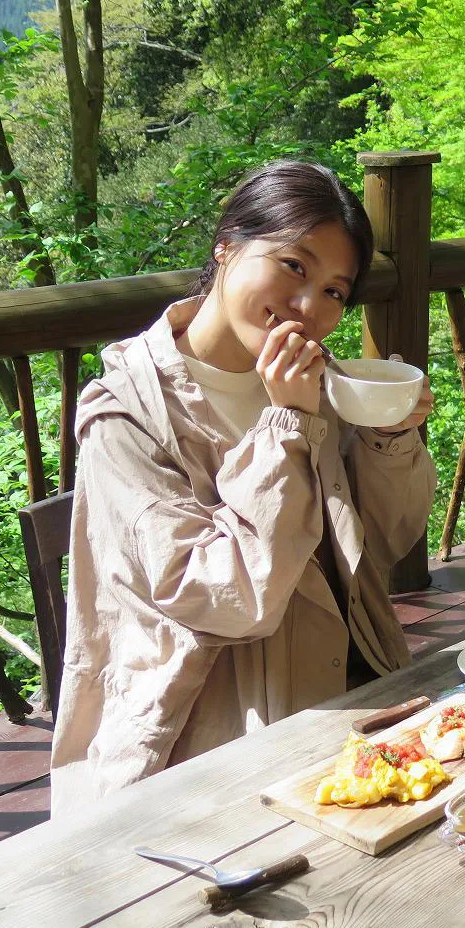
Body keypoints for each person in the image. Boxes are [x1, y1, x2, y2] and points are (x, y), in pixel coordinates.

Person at [50, 160, 436, 811]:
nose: (310, 306)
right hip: (204, 738)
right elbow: (225, 599)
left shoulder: (320, 380)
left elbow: (387, 539)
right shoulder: (128, 415)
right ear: (226, 246)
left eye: (336, 292)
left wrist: (389, 437)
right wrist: (286, 423)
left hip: (350, 686)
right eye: (294, 266)